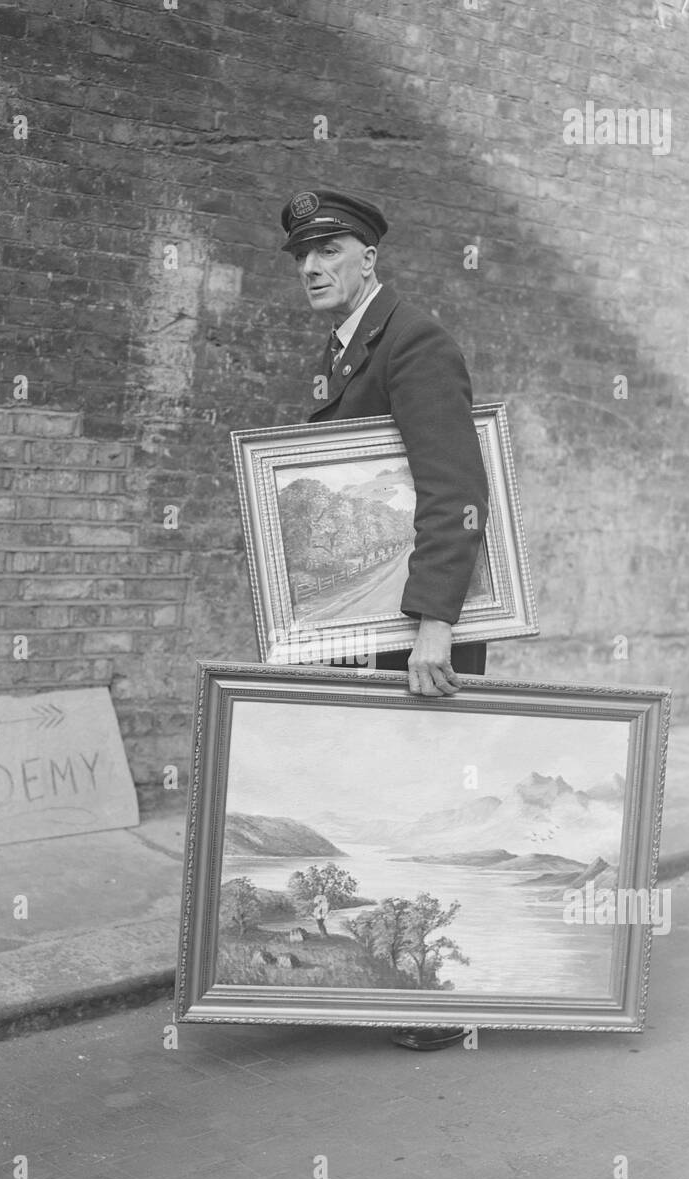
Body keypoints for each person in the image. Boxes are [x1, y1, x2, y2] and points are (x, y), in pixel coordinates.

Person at [280, 188, 489, 1050]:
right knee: (377, 796)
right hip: (370, 630)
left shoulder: (412, 341)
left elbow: (454, 492)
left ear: (370, 258)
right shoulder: (344, 350)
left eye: (331, 250)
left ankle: (437, 1007)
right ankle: (396, 981)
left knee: (419, 800)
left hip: (416, 629)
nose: (313, 267)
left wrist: (433, 623)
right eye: (303, 255)